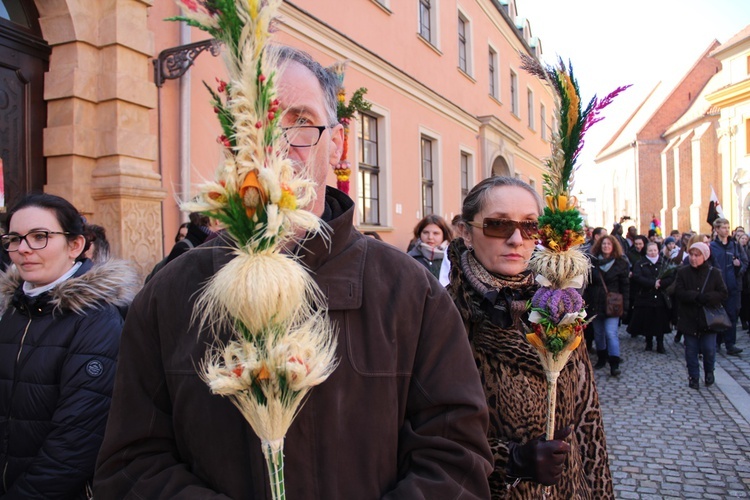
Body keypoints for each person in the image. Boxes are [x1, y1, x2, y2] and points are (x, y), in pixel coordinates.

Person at [94, 46, 493, 498]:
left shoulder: (409, 292)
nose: (277, 146)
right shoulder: (171, 294)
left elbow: (455, 458)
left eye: (301, 122)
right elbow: (131, 465)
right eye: (255, 124)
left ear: (338, 143)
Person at [447, 176, 613, 498]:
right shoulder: (446, 315)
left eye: (530, 227)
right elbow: (431, 434)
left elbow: (589, 426)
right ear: (466, 233)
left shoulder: (559, 308)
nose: (516, 239)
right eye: (497, 225)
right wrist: (511, 461)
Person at [0, 193, 138, 498]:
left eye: (39, 236)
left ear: (74, 245)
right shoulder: (10, 310)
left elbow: (76, 442)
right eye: (13, 238)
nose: (23, 249)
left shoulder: (96, 320)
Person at [674, 243, 728, 389]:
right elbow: (678, 292)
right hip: (689, 317)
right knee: (691, 350)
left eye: (697, 255)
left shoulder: (714, 273)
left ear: (705, 256)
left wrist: (708, 297)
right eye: (691, 255)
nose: (693, 258)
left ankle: (709, 371)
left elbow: (723, 293)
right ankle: (693, 377)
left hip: (708, 319)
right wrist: (695, 296)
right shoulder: (683, 272)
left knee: (709, 349)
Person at [584, 234, 630, 376]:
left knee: (611, 333)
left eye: (609, 244)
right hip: (596, 303)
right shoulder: (593, 262)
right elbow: (588, 284)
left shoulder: (620, 263)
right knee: (598, 334)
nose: (606, 246)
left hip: (613, 304)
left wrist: (626, 306)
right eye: (604, 244)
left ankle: (614, 362)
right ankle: (602, 357)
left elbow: (625, 286)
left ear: (613, 246)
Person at [628, 242, 676, 352]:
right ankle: (648, 343)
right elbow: (637, 277)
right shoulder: (640, 263)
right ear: (646, 251)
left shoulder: (664, 262)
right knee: (647, 320)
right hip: (645, 296)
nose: (653, 252)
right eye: (650, 250)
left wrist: (661, 283)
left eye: (654, 250)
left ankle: (660, 344)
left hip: (660, 296)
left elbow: (671, 277)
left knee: (660, 320)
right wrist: (652, 283)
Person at [709, 217, 747, 355]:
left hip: (733, 286)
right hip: (718, 287)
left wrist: (739, 269)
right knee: (718, 315)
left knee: (732, 315)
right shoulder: (712, 247)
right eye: (723, 227)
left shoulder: (735, 245)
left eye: (727, 227)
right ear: (717, 229)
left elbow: (744, 262)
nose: (726, 230)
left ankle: (730, 344)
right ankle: (717, 342)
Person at [407, 214, 452, 280]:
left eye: (436, 233)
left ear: (444, 235)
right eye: (426, 232)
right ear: (419, 233)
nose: (430, 237)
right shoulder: (410, 259)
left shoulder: (451, 259)